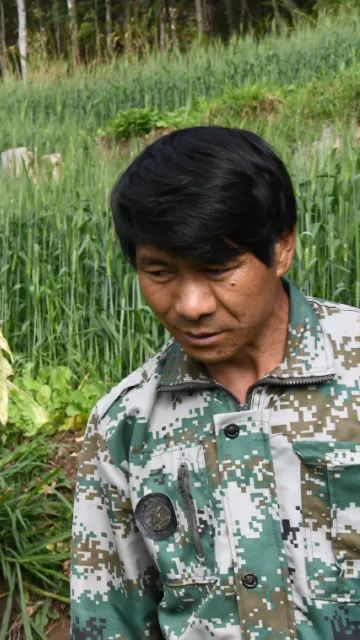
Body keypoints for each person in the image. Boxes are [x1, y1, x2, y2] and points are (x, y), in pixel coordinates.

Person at [69, 126, 360, 638]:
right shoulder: (125, 425)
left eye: (219, 267)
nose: (191, 305)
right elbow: (110, 620)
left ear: (282, 247)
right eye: (160, 272)